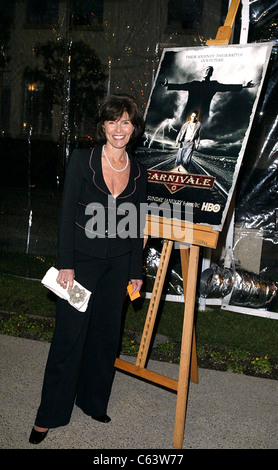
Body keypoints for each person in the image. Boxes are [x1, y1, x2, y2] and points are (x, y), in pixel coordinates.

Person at [29, 94, 147, 445]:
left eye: (126, 121)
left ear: (134, 128)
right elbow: (67, 215)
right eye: (113, 121)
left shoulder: (139, 170)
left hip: (118, 266)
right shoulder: (82, 160)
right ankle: (49, 414)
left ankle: (93, 402)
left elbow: (137, 224)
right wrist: (66, 263)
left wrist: (135, 269)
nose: (119, 128)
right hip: (81, 263)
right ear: (103, 126)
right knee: (69, 338)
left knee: (106, 338)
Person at [161, 65, 255, 123]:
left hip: (203, 114)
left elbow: (227, 87)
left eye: (210, 70)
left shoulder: (213, 85)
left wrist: (243, 85)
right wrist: (168, 85)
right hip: (188, 113)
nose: (208, 71)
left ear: (211, 74)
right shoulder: (194, 84)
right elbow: (180, 86)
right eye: (206, 69)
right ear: (202, 72)